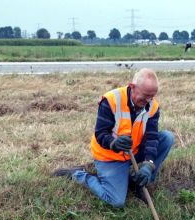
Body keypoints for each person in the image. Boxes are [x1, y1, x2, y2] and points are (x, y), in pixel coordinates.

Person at [53, 68, 174, 208]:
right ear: (132, 87)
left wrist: (148, 164)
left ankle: (141, 182)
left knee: (167, 137)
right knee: (116, 201)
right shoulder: (111, 100)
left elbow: (152, 138)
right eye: (145, 95)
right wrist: (114, 143)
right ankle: (79, 174)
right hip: (109, 156)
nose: (148, 101)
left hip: (132, 152)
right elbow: (100, 133)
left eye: (151, 96)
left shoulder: (152, 106)